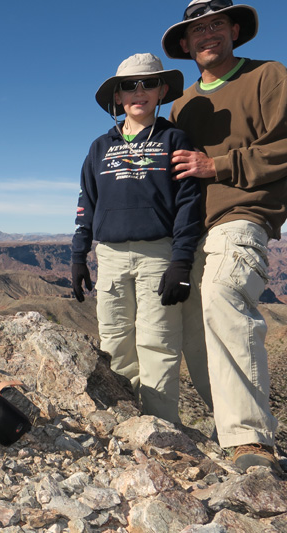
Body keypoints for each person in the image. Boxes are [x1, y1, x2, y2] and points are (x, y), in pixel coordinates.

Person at [163, 0, 287, 472]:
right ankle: (227, 429)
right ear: (185, 44)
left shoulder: (268, 76)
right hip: (191, 229)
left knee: (224, 293)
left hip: (244, 213)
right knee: (188, 323)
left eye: (215, 25)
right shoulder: (183, 104)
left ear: (233, 29)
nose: (207, 35)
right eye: (197, 30)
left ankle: (251, 440)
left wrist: (219, 166)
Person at [71, 53, 207, 425]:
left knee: (158, 345)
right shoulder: (99, 148)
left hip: (158, 257)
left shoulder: (174, 139)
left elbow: (189, 204)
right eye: (129, 85)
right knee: (114, 344)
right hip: (110, 258)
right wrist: (78, 256)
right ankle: (128, 427)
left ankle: (163, 430)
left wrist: (180, 260)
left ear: (162, 90)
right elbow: (87, 202)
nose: (139, 92)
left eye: (148, 83)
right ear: (117, 97)